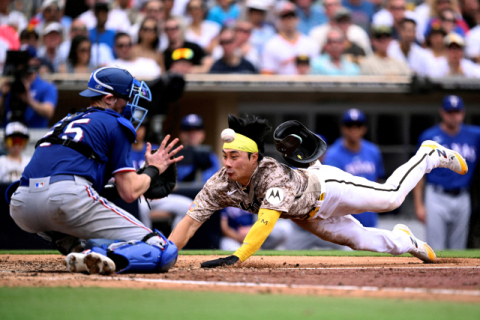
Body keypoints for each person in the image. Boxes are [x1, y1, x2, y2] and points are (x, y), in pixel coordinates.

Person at [169, 114, 468, 268]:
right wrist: (167, 253)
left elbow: (265, 221)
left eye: (235, 156)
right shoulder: (219, 183)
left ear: (254, 158)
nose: (227, 162)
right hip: (308, 217)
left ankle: (428, 155)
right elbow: (190, 221)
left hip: (327, 188)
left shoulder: (271, 174)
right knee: (363, 241)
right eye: (225, 155)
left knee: (391, 197)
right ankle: (407, 241)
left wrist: (239, 255)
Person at [8, 66, 182, 275]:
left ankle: (74, 247)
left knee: (57, 199)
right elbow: (129, 192)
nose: (130, 104)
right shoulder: (116, 123)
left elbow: (87, 184)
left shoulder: (64, 121)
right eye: (126, 97)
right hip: (67, 198)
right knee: (163, 249)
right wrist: (153, 169)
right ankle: (106, 254)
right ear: (109, 99)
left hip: (21, 206)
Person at [413, 95, 480, 250]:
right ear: (442, 113)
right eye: (450, 112)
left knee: (458, 247)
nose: (453, 115)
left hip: (463, 196)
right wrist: (419, 204)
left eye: (457, 111)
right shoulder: (429, 137)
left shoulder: (474, 135)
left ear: (463, 113)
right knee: (436, 247)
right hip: (436, 195)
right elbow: (419, 173)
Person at [323, 109, 385, 228]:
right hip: (344, 217)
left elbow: (377, 180)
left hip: (369, 213)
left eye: (358, 125)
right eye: (349, 125)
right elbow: (331, 190)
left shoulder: (373, 151)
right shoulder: (333, 155)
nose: (354, 129)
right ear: (342, 128)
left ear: (364, 128)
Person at [0, 46, 57, 128]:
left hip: (35, 136)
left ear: (36, 61)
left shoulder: (47, 87)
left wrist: (30, 101)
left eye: (28, 58)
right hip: (8, 134)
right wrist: (3, 96)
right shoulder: (8, 84)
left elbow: (49, 112)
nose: (23, 63)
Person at [261, 1, 318, 75]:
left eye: (292, 17)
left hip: (306, 85)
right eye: (285, 18)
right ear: (280, 21)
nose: (289, 21)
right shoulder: (271, 44)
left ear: (298, 19)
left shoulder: (310, 43)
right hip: (282, 85)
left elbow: (316, 71)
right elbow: (267, 73)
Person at [176, 114, 220, 184]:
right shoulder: (174, 155)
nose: (192, 134)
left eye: (197, 130)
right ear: (181, 134)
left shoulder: (211, 156)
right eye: (188, 130)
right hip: (180, 195)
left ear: (203, 134)